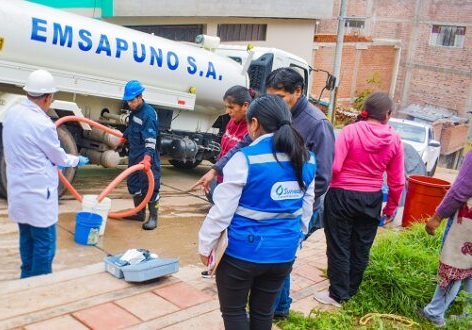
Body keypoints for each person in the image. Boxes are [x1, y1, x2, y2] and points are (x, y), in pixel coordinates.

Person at [192, 68, 335, 318]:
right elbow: (306, 208)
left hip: (242, 253)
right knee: (262, 314)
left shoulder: (248, 160)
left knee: (235, 311)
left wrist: (206, 247)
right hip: (283, 252)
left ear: (255, 123)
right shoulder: (307, 158)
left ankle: (283, 307)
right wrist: (294, 237)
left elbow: (221, 212)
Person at [314, 92, 404, 308]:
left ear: (366, 110)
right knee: (361, 246)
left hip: (342, 195)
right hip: (371, 198)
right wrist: (390, 208)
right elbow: (397, 181)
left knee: (339, 244)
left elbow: (335, 167)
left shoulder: (350, 131)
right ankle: (351, 291)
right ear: (387, 115)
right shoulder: (394, 139)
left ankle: (337, 295)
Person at [3, 69, 89, 278]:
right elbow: (59, 157)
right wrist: (76, 160)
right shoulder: (42, 124)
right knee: (44, 245)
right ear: (48, 97)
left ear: (27, 93)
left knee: (26, 239)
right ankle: (38, 285)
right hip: (38, 195)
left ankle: (26, 278)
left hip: (18, 191)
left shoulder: (12, 113)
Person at [417, 150, 471, 327]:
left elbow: (461, 190)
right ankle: (467, 316)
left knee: (454, 265)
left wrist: (437, 217)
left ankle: (434, 313)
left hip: (466, 223)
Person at [191, 86, 254, 203]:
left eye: (231, 107)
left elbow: (236, 152)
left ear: (245, 106)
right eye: (226, 107)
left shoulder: (252, 130)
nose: (227, 112)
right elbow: (224, 150)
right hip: (222, 177)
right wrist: (216, 172)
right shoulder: (231, 122)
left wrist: (215, 171)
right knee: (212, 194)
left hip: (235, 184)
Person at [117, 80, 162, 230]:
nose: (129, 103)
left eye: (131, 100)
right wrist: (123, 138)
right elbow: (131, 128)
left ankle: (153, 218)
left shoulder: (149, 114)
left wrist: (147, 159)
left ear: (140, 96)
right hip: (135, 154)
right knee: (134, 184)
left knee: (150, 185)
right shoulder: (134, 111)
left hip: (147, 156)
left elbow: (150, 139)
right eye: (127, 100)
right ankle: (139, 212)